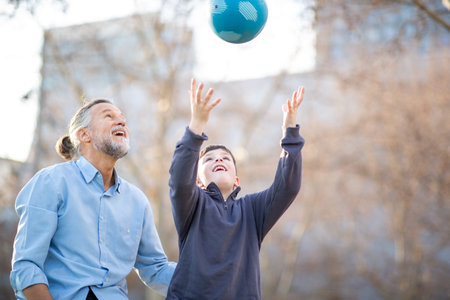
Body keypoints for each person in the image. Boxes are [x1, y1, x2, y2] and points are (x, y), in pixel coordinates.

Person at [10, 99, 176, 300]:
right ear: (84, 134)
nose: (122, 122)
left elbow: (156, 269)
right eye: (109, 116)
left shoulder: (137, 201)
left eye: (123, 118)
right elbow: (26, 266)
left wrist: (213, 273)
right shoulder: (50, 182)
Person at [167, 78, 305, 299]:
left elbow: (287, 187)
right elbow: (179, 180)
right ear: (199, 182)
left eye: (225, 158)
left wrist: (290, 131)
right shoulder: (192, 205)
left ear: (237, 180)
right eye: (209, 159)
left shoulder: (252, 210)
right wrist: (195, 127)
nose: (218, 160)